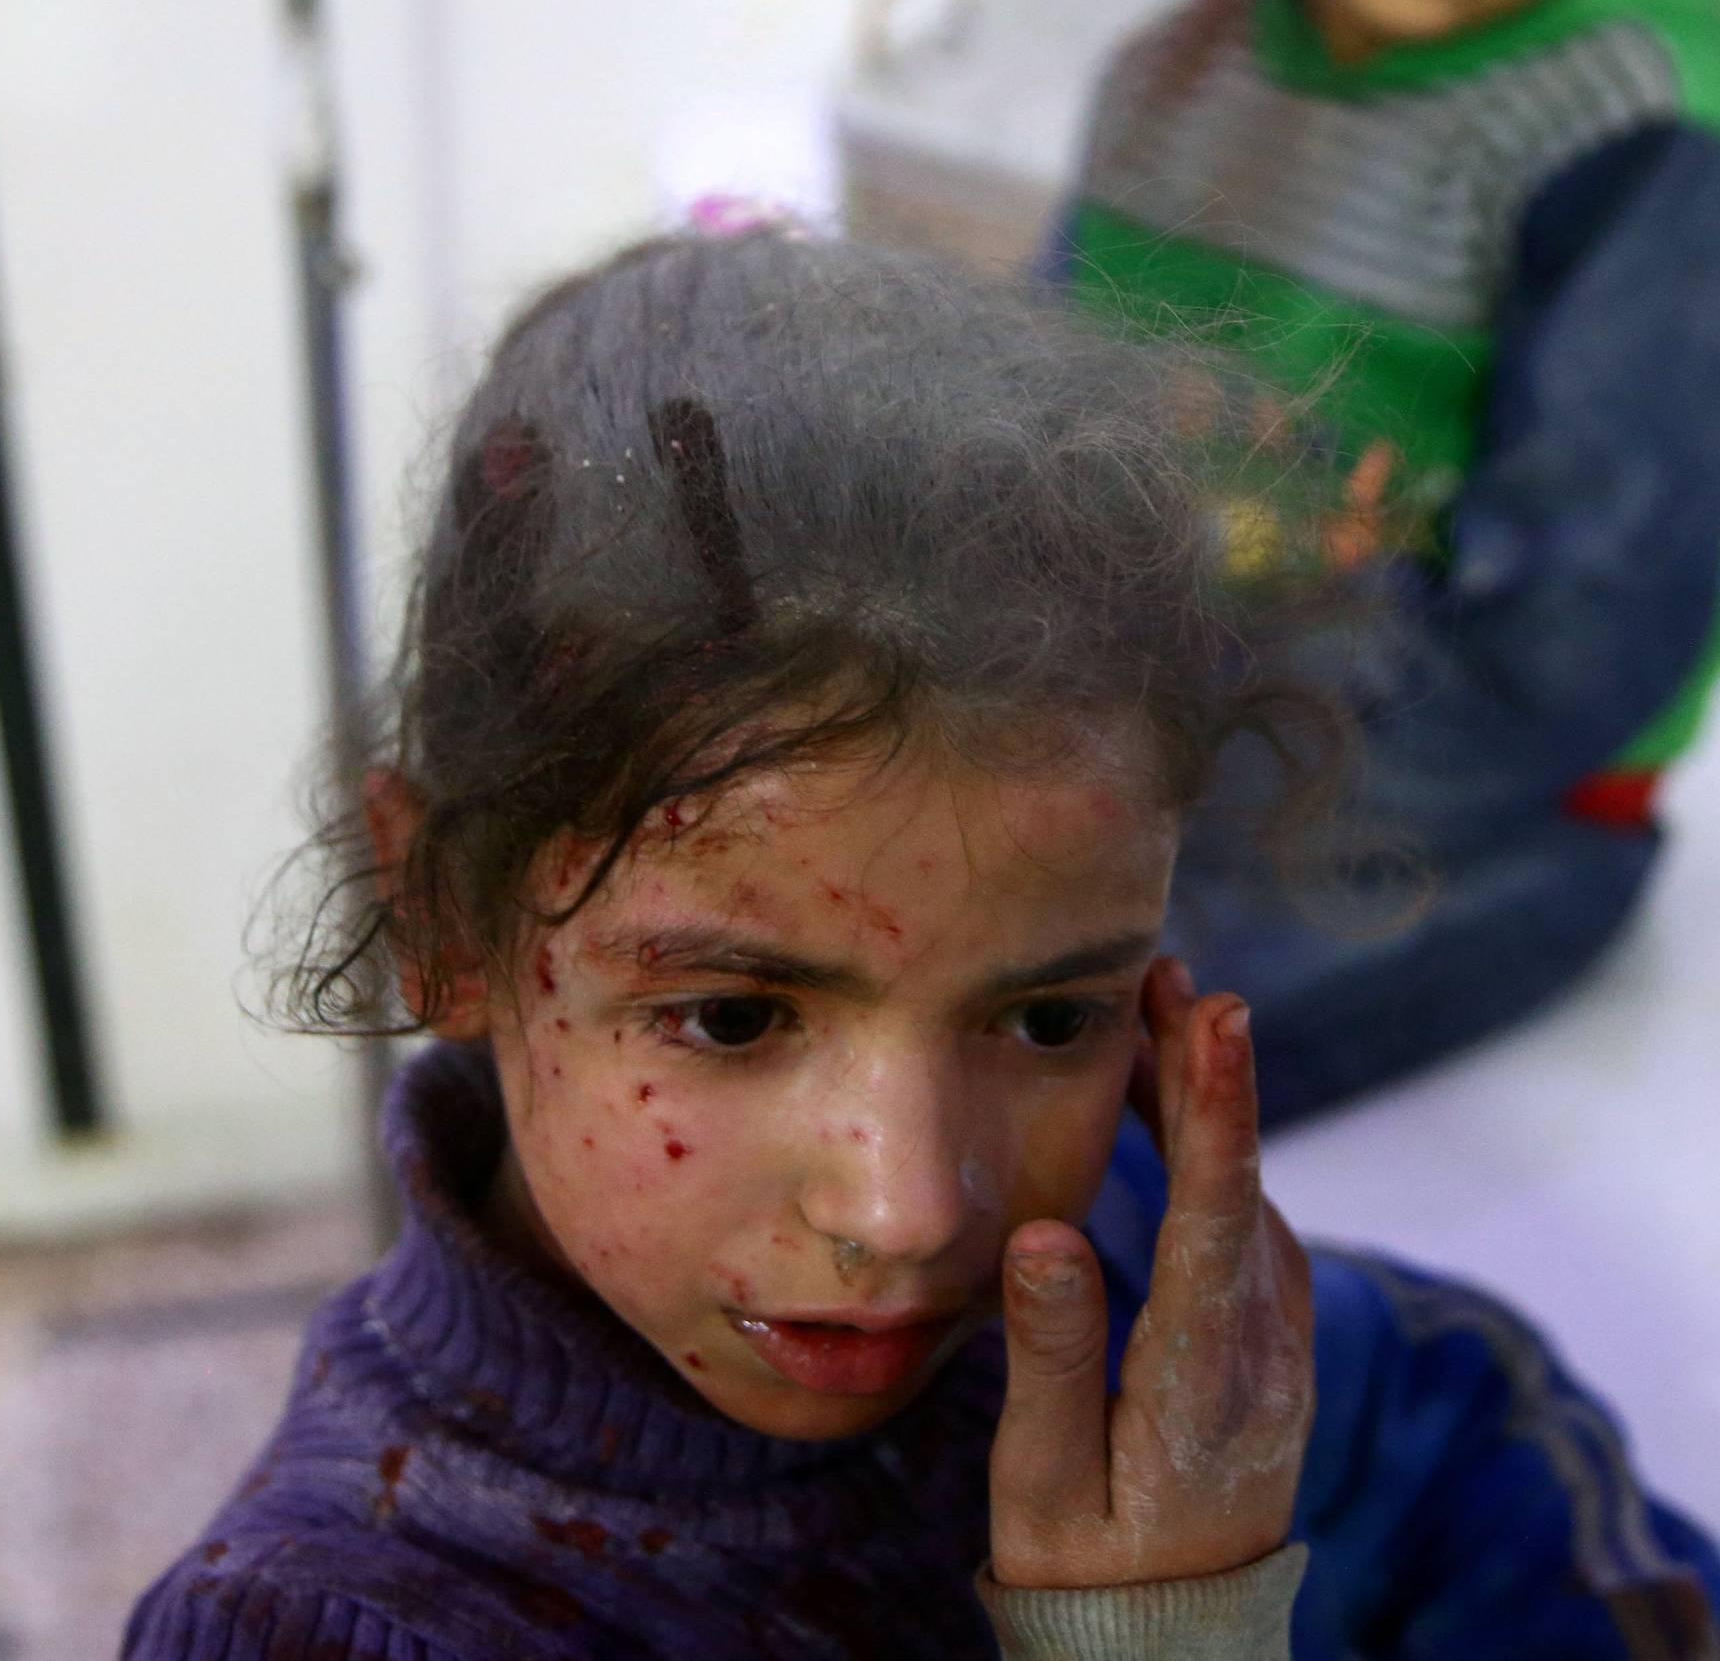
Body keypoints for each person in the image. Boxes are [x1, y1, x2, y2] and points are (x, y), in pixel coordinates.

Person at [124, 230, 1717, 1658]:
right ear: (444, 917)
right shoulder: (322, 1626)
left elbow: (1450, 1407)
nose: (907, 1209)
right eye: (737, 1018)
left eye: (1044, 1019)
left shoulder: (1110, 1261)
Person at [1042, 0, 1720, 1127]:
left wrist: (1117, 821)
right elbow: (1011, 469)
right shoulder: (1160, 83)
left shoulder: (1636, 143)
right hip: (1141, 770)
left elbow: (1564, 667)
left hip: (1473, 827)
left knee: (1027, 1068)